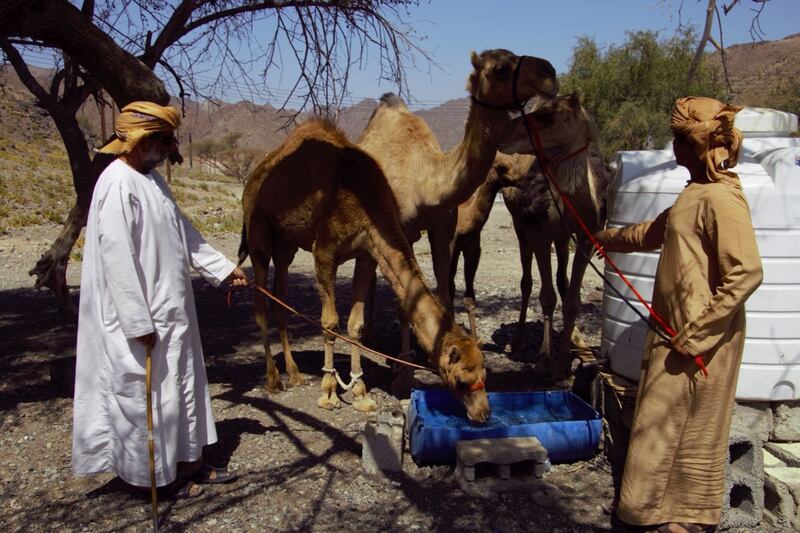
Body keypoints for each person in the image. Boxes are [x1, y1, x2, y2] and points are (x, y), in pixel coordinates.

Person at [593, 97, 763, 532]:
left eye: (678, 139)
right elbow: (653, 231)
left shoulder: (723, 201)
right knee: (661, 429)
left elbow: (746, 273)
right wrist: (606, 238)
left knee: (687, 434)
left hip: (699, 344)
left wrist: (698, 334)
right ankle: (651, 513)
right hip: (675, 334)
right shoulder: (695, 193)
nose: (673, 148)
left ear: (696, 145)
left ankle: (684, 521)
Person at [72, 101, 248, 499]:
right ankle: (155, 480)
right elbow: (116, 260)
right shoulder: (116, 184)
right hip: (142, 318)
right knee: (147, 398)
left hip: (172, 311)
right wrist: (137, 323)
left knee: (182, 387)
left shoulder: (152, 181)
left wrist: (222, 269)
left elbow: (182, 231)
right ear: (139, 140)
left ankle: (190, 464)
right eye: (165, 140)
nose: (171, 148)